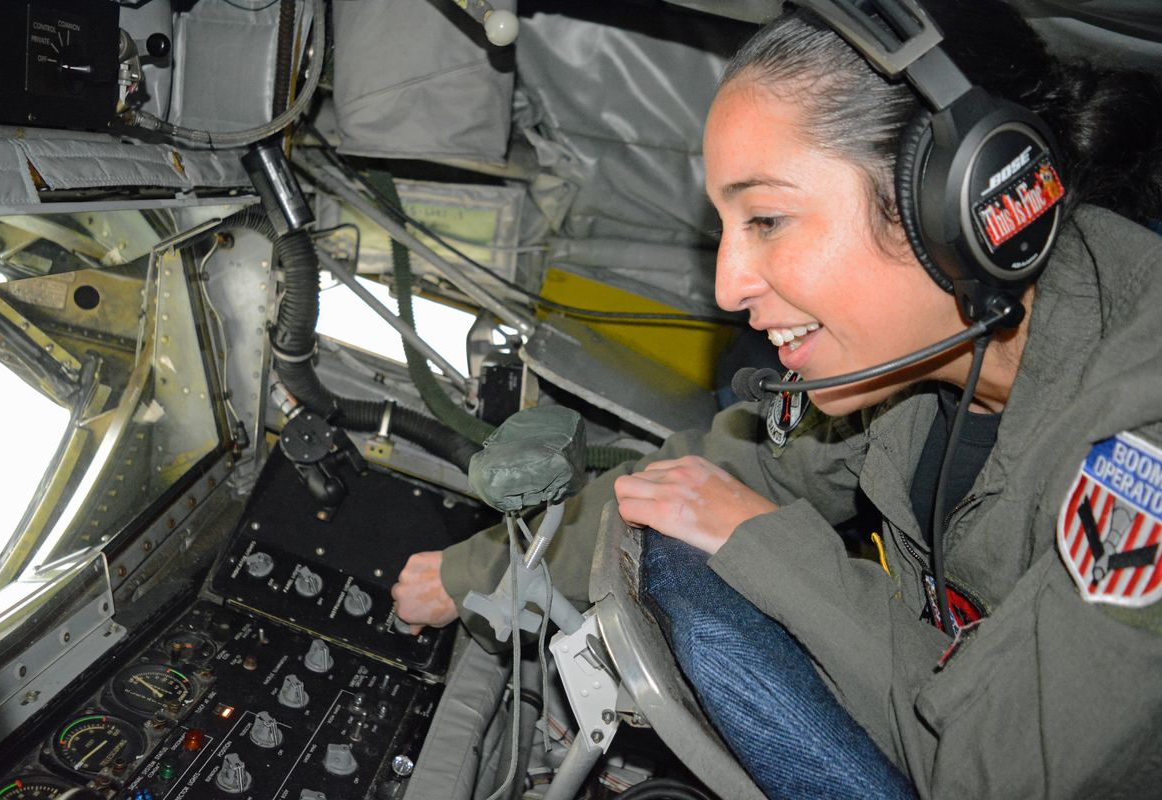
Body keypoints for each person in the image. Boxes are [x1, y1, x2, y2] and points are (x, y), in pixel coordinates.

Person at [393, 1, 1162, 796]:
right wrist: (476, 571)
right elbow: (709, 473)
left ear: (960, 209)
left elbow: (988, 774)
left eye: (766, 218)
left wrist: (766, 546)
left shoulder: (1147, 449)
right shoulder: (908, 360)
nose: (728, 287)